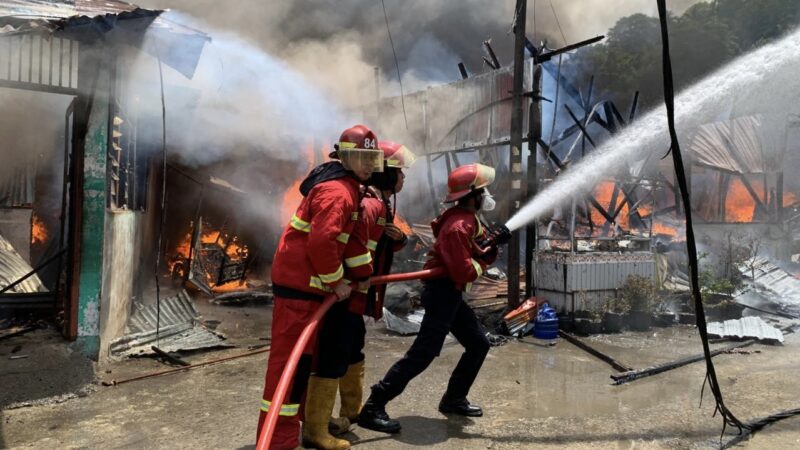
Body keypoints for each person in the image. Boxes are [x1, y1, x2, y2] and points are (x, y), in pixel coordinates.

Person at [257, 124, 384, 450]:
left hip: (310, 292)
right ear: (342, 157)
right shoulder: (337, 193)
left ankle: (293, 433)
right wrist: (336, 282)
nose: (368, 164)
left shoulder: (349, 188)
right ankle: (277, 442)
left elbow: (348, 243)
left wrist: (358, 274)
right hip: (300, 291)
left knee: (302, 369)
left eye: (372, 158)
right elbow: (323, 242)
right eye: (360, 157)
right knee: (289, 370)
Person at [357, 163, 498, 434]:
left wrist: (492, 244)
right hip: (443, 292)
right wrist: (487, 259)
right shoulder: (459, 224)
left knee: (478, 344)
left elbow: (476, 251)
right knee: (423, 354)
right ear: (471, 195)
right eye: (483, 190)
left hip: (451, 293)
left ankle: (454, 398)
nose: (487, 195)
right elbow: (465, 270)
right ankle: (374, 405)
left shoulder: (466, 217)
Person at [303, 141, 417, 450]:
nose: (404, 178)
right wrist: (351, 282)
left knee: (353, 350)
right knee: (333, 356)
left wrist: (399, 238)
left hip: (356, 295)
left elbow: (376, 243)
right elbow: (351, 249)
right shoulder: (369, 204)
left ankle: (350, 413)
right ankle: (315, 429)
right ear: (387, 173)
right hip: (344, 295)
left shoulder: (380, 203)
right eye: (400, 172)